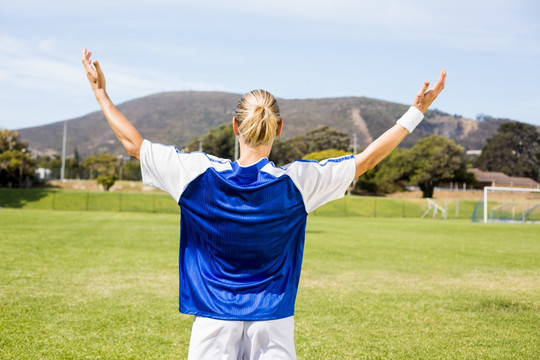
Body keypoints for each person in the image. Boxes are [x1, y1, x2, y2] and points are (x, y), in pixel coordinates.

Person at [82, 47, 445, 360]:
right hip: (273, 319)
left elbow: (134, 145)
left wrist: (101, 94)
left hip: (212, 318)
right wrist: (416, 112)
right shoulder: (299, 183)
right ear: (280, 128)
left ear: (235, 127)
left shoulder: (194, 173)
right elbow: (366, 160)